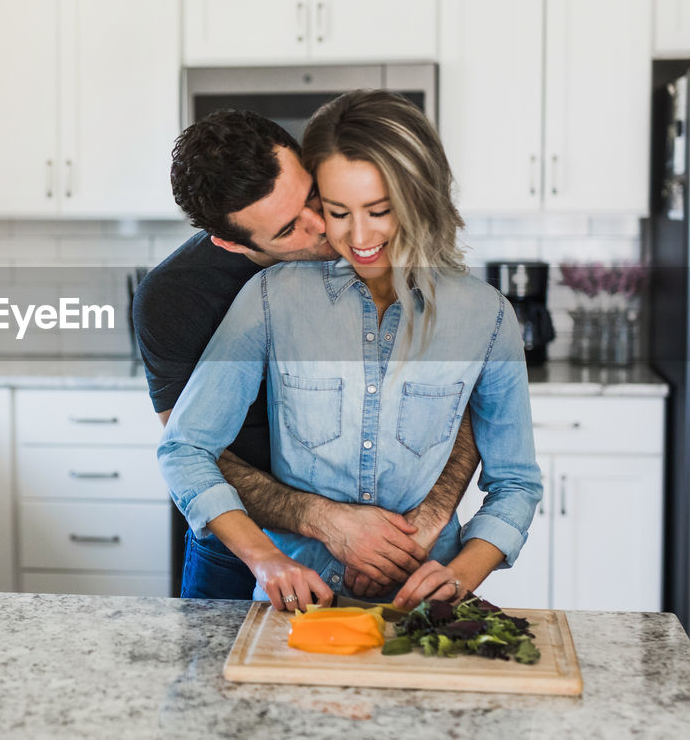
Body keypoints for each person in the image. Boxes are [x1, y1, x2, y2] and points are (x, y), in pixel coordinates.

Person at [156, 91, 543, 610]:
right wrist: (268, 560)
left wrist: (459, 575)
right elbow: (185, 448)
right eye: (337, 212)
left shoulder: (487, 316)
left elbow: (516, 480)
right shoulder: (272, 298)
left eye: (379, 211)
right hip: (298, 609)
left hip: (423, 611)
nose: (356, 236)